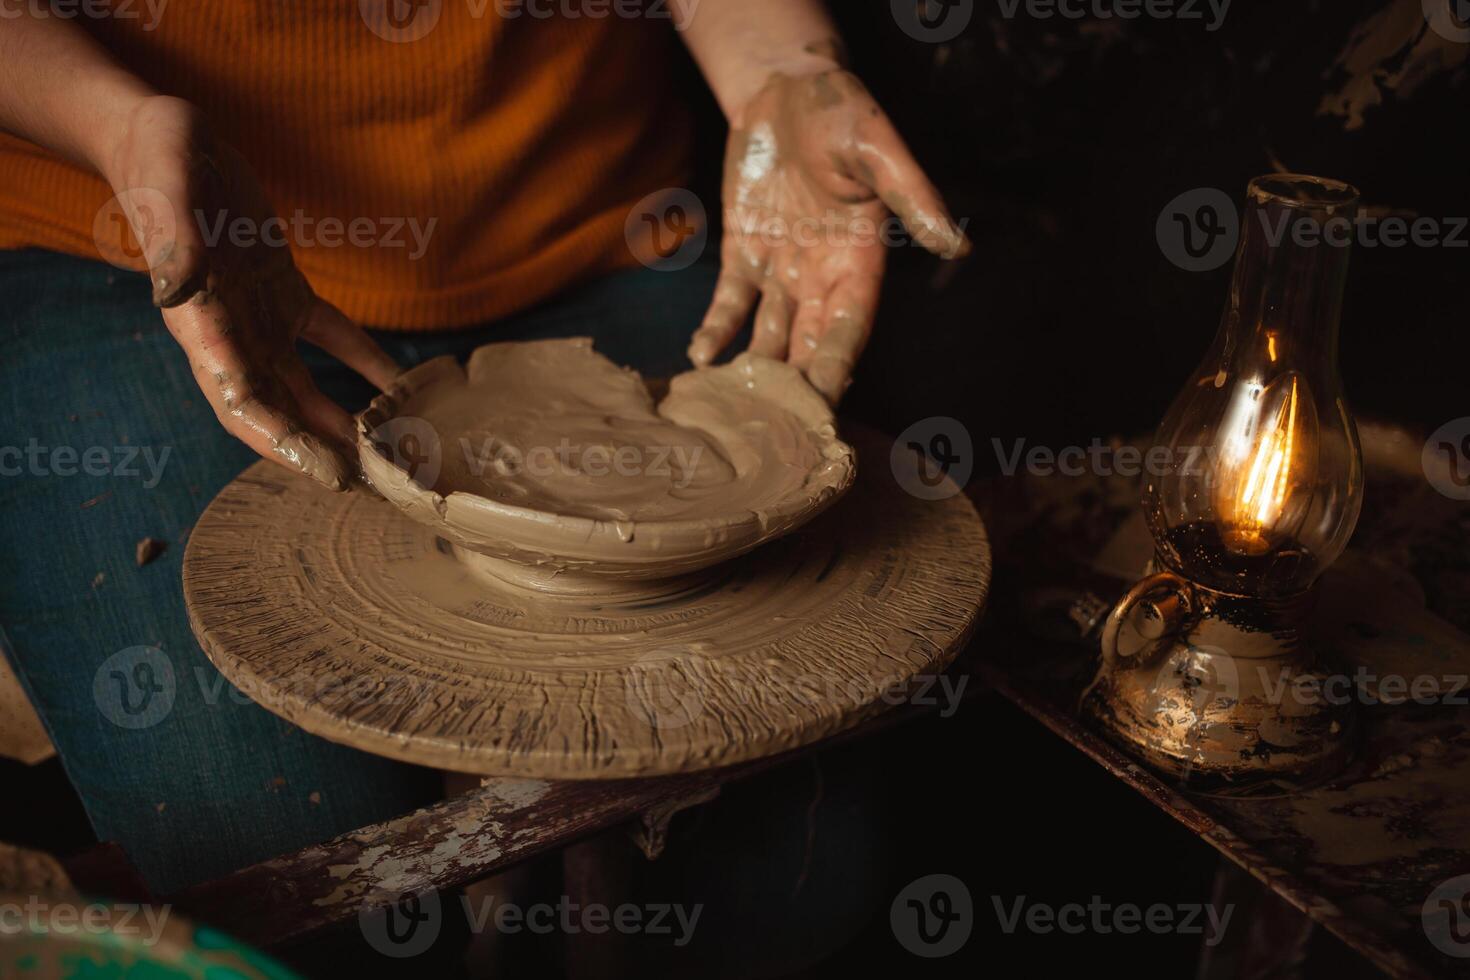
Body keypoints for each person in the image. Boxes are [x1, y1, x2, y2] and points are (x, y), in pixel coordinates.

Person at [0, 0, 968, 898]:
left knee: (782, 877)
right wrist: (115, 124)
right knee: (286, 859)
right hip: (145, 219)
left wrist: (779, 64)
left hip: (584, 206)